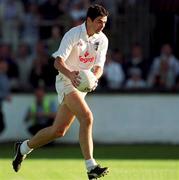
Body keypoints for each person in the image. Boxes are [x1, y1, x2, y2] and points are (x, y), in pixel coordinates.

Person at [12, 4, 109, 179]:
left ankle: (23, 148)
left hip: (81, 86)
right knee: (87, 117)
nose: (102, 25)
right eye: (99, 22)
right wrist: (71, 75)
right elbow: (58, 62)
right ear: (88, 20)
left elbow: (99, 67)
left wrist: (94, 78)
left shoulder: (102, 40)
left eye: (104, 22)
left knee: (59, 130)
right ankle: (91, 166)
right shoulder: (73, 34)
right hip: (66, 81)